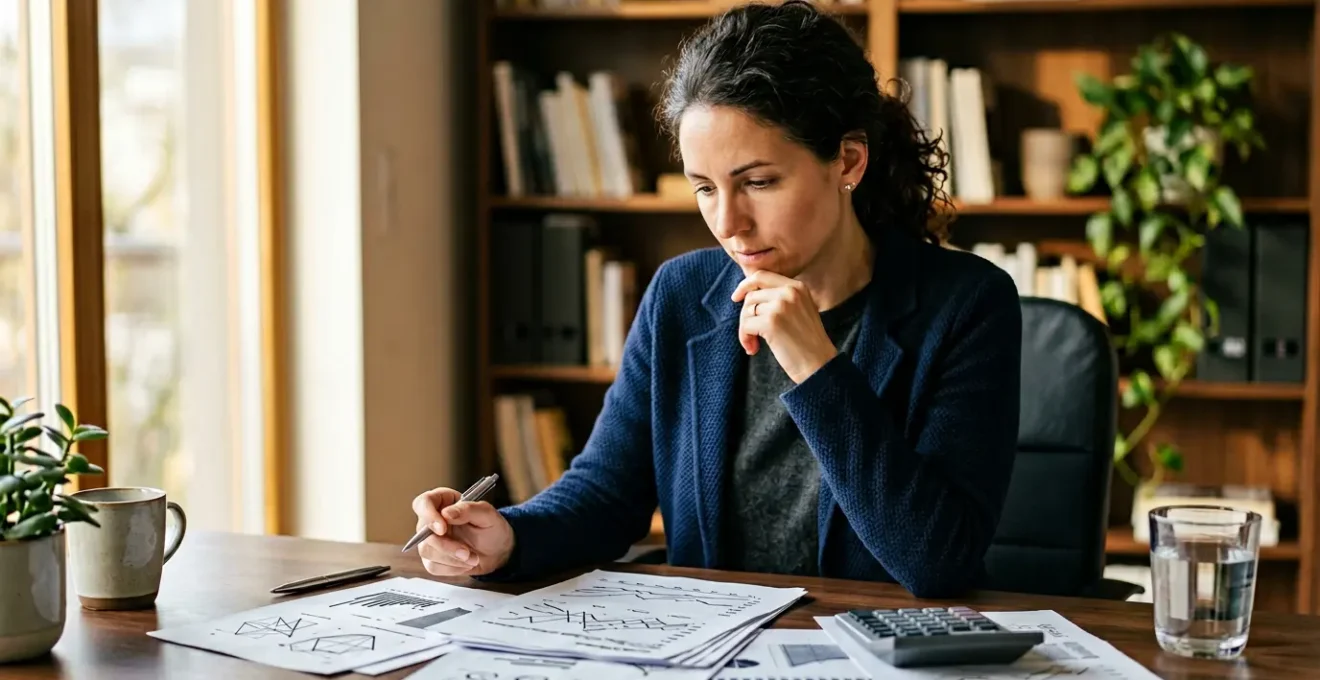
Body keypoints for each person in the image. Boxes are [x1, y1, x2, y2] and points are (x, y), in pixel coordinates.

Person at [412, 0, 1022, 598]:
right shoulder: (681, 295)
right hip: (714, 641)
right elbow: (605, 494)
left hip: (873, 646)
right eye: (704, 188)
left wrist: (818, 369)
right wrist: (508, 537)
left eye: (758, 182)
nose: (729, 223)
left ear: (848, 161)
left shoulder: (967, 305)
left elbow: (937, 561)